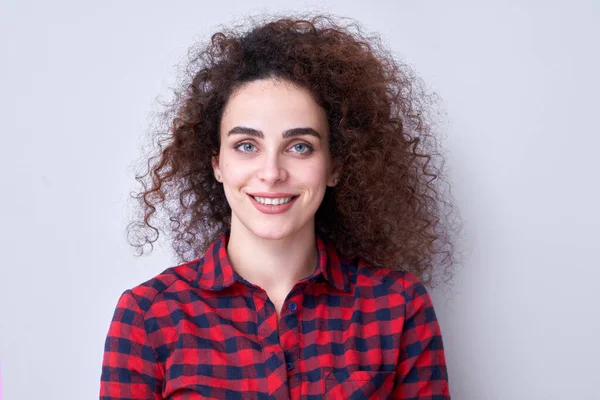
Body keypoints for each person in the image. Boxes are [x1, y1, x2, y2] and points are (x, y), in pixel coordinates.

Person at [100, 12, 461, 400]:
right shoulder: (148, 316)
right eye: (247, 146)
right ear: (217, 163)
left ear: (335, 165)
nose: (271, 173)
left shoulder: (398, 306)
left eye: (299, 147)